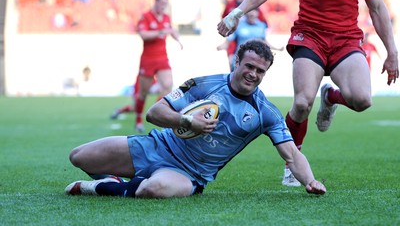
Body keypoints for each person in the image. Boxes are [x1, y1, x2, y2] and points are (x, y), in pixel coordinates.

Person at [64, 40, 326, 198]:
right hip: (156, 146)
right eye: (249, 66)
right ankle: (116, 180)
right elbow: (154, 113)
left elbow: (292, 154)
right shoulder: (203, 85)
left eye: (260, 71)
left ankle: (103, 188)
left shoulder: (264, 113)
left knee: (151, 191)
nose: (253, 74)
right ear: (236, 62)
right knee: (79, 156)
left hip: (188, 173)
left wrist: (310, 181)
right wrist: (187, 122)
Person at [217, 0, 399, 187]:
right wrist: (237, 12)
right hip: (310, 37)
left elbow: (377, 7)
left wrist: (392, 52)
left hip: (345, 40)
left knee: (362, 99)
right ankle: (292, 165)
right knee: (303, 103)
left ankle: (330, 97)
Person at [131, 0, 182, 133]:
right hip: (148, 59)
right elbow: (143, 35)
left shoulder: (166, 17)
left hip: (162, 58)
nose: (164, 6)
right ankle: (139, 119)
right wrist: (160, 32)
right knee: (143, 92)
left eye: (166, 4)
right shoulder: (146, 17)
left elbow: (171, 30)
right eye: (162, 3)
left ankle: (164, 119)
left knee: (167, 86)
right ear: (156, 2)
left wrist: (178, 39)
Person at [217, 8, 283, 71]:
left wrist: (277, 48)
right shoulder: (238, 25)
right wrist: (218, 47)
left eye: (254, 12)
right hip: (240, 61)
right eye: (250, 12)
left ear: (257, 13)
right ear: (246, 13)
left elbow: (264, 42)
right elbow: (228, 42)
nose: (252, 14)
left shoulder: (261, 26)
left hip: (256, 62)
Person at [221, 0, 268, 70]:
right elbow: (224, 17)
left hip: (249, 37)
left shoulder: (255, 3)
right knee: (234, 66)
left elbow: (261, 21)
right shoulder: (231, 4)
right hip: (233, 38)